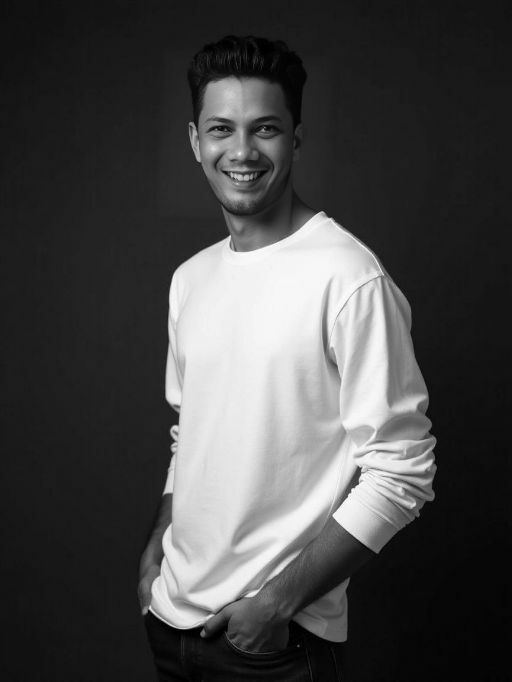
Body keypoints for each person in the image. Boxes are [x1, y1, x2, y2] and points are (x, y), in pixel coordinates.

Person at [138, 35, 437, 682]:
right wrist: (158, 548)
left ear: (295, 139)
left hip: (271, 647)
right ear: (195, 140)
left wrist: (276, 604)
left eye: (265, 129)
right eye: (222, 129)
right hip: (171, 625)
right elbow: (191, 430)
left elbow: (402, 471)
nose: (242, 151)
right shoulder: (191, 279)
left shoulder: (349, 278)